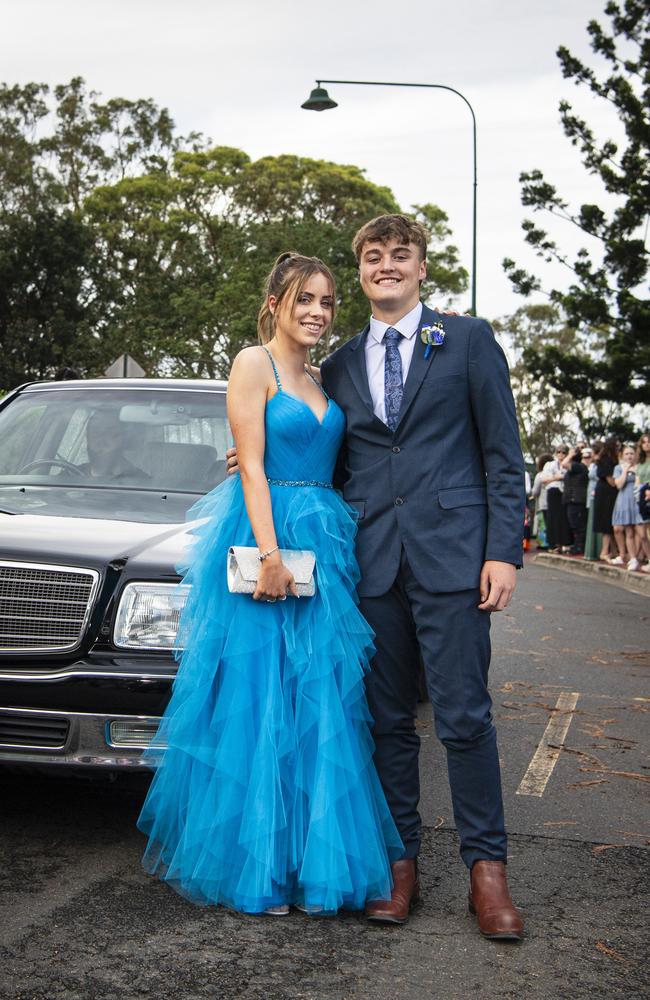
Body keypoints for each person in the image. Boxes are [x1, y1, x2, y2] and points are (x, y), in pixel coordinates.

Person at [137, 253, 403, 915]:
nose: (317, 312)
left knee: (316, 701)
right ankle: (256, 870)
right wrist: (270, 553)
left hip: (326, 545)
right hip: (270, 535)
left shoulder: (321, 377)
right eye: (305, 299)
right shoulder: (253, 362)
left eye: (327, 301)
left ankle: (303, 864)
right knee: (258, 699)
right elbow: (252, 468)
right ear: (277, 301)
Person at [319, 214, 525, 940]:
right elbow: (331, 464)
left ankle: (487, 873)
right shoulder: (340, 364)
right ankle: (398, 866)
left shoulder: (468, 342)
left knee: (464, 719)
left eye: (398, 255)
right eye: (372, 258)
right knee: (385, 724)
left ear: (421, 267)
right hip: (372, 566)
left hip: (455, 561)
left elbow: (503, 454)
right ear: (363, 272)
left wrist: (504, 550)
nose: (386, 266)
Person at [611, 443, 643, 570]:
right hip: (623, 499)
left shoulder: (639, 467)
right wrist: (625, 470)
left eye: (631, 453)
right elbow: (618, 485)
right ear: (622, 455)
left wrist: (635, 472)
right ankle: (629, 556)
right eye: (627, 454)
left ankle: (634, 556)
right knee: (623, 528)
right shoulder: (618, 468)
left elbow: (638, 483)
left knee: (636, 530)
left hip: (635, 499)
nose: (629, 456)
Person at [592, 436, 619, 561]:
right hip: (607, 493)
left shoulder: (603, 459)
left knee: (610, 523)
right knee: (607, 522)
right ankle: (604, 551)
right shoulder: (607, 460)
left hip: (603, 492)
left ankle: (614, 551)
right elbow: (611, 481)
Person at [540, 446, 571, 552]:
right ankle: (552, 544)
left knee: (563, 518)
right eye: (558, 452)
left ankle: (564, 543)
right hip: (553, 492)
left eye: (563, 452)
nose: (561, 454)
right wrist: (556, 478)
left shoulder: (568, 464)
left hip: (564, 492)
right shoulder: (550, 465)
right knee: (552, 518)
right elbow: (544, 479)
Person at [560, 446, 589, 555]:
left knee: (577, 524)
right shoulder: (576, 467)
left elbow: (564, 464)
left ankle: (579, 546)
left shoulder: (579, 466)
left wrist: (571, 454)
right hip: (570, 498)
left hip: (576, 499)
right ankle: (577, 545)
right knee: (573, 523)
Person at [584, 441, 604, 561]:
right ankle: (591, 551)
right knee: (590, 523)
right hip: (590, 495)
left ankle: (597, 550)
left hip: (598, 494)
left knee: (597, 522)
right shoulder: (592, 465)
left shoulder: (601, 464)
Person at [634, 431, 650, 571]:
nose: (646, 445)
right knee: (642, 533)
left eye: (648, 442)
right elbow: (637, 481)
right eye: (644, 442)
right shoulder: (640, 463)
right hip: (641, 498)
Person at [531, 453, 552, 550]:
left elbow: (535, 491)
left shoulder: (540, 475)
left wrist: (533, 495)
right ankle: (551, 542)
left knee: (543, 523)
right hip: (553, 503)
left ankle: (544, 543)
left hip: (542, 503)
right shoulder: (553, 474)